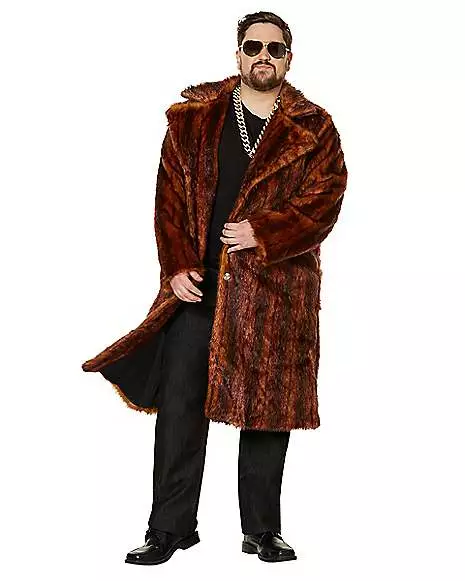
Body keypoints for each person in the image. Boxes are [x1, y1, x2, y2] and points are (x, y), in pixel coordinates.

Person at [82, 10, 348, 566]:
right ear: (238, 53)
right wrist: (177, 267)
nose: (263, 57)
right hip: (200, 291)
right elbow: (169, 201)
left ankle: (263, 530)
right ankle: (169, 528)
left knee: (267, 412)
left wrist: (263, 232)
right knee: (180, 410)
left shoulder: (315, 128)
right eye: (253, 47)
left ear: (289, 58)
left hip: (276, 293)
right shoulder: (193, 120)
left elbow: (324, 201)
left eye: (275, 49)